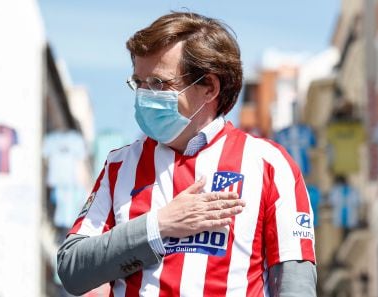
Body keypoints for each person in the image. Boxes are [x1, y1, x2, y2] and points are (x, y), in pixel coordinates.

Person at [57, 11, 317, 297]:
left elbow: (294, 283)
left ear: (209, 87)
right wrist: (159, 225)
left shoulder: (269, 164)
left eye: (158, 83)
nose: (144, 95)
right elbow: (72, 268)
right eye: (138, 83)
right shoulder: (120, 165)